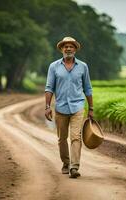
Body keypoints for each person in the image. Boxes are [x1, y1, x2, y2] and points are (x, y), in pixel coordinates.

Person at [45, 36, 93, 178]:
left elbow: (88, 89)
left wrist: (91, 108)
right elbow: (49, 88)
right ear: (61, 49)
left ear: (75, 49)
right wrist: (47, 106)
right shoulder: (54, 67)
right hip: (60, 107)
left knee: (76, 137)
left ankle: (74, 167)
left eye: (71, 46)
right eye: (65, 46)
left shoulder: (83, 67)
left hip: (78, 106)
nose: (68, 48)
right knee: (62, 139)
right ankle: (66, 163)